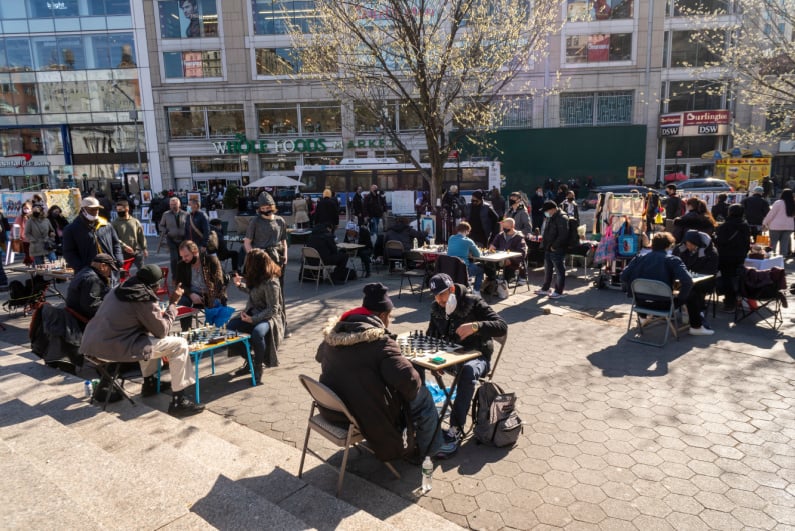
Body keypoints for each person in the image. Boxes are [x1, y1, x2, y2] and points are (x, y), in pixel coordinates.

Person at [316, 283, 458, 460]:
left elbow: (319, 357)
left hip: (334, 407)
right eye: (389, 317)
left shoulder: (336, 332)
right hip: (365, 412)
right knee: (424, 397)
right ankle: (432, 448)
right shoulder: (380, 343)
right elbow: (411, 382)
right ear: (383, 315)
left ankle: (415, 434)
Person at [80, 264, 205, 417]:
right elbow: (162, 331)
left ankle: (150, 383)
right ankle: (179, 401)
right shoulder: (141, 297)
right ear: (155, 284)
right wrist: (173, 303)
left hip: (91, 344)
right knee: (179, 345)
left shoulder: (121, 288)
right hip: (111, 349)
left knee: (146, 341)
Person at [426, 273, 508, 441]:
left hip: (478, 356)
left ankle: (456, 427)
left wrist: (476, 326)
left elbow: (502, 327)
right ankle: (418, 418)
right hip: (450, 357)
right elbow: (430, 336)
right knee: (412, 363)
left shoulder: (473, 302)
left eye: (442, 295)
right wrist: (433, 359)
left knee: (467, 371)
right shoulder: (437, 307)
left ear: (452, 289)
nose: (439, 301)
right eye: (436, 296)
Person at [228, 249, 285, 383]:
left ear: (256, 265)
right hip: (253, 312)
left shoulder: (271, 282)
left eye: (248, 263)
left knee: (257, 333)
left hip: (269, 317)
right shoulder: (257, 276)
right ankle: (250, 360)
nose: (245, 266)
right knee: (230, 328)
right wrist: (239, 285)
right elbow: (253, 292)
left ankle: (258, 366)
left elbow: (273, 308)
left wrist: (253, 319)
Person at [620, 232, 697, 332]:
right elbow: (688, 281)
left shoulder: (639, 258)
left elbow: (623, 277)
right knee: (693, 294)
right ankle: (697, 326)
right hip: (665, 304)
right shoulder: (673, 260)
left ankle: (642, 316)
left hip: (640, 303)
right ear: (669, 246)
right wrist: (680, 300)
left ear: (652, 245)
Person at [672, 230, 719, 335]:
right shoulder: (680, 249)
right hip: (683, 281)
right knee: (686, 290)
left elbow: (710, 272)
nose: (689, 247)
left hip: (703, 281)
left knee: (692, 292)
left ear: (697, 243)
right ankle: (694, 320)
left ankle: (696, 315)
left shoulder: (710, 252)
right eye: (687, 244)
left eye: (691, 245)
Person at [62, 197, 123, 273]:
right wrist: (82, 268)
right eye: (92, 210)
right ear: (83, 210)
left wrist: (118, 260)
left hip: (110, 270)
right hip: (88, 274)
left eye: (97, 209)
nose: (95, 212)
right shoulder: (71, 229)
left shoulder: (106, 225)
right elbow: (69, 252)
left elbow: (116, 243)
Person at [175, 240, 226, 328]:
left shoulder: (211, 260)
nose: (184, 259)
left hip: (211, 293)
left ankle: (217, 330)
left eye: (186, 256)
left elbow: (219, 282)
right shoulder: (181, 265)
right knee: (182, 301)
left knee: (217, 305)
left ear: (195, 252)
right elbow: (180, 285)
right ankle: (186, 330)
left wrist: (212, 297)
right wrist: (191, 294)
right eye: (182, 256)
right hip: (193, 293)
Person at [715, 204, 751, 312]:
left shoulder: (724, 226)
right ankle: (736, 299)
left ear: (730, 212)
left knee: (727, 278)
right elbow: (747, 243)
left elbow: (719, 242)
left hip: (725, 256)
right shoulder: (745, 226)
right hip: (739, 256)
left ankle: (729, 303)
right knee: (736, 277)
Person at [242, 192, 288, 274]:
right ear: (259, 209)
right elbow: (247, 243)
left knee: (277, 285)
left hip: (277, 258)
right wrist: (254, 258)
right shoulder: (255, 221)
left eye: (267, 208)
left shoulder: (280, 220)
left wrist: (285, 256)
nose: (265, 210)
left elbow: (284, 242)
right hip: (260, 258)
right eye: (263, 209)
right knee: (261, 285)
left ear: (272, 207)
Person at [66, 253, 117, 322]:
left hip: (74, 313)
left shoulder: (85, 271)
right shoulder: (93, 279)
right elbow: (93, 307)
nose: (110, 273)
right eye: (110, 269)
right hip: (80, 319)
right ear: (103, 266)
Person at [536, 200, 569, 299]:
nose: (546, 213)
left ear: (553, 209)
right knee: (548, 269)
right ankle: (546, 288)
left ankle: (558, 291)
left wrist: (554, 246)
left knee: (559, 270)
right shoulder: (551, 217)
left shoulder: (562, 218)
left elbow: (563, 235)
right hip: (548, 247)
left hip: (557, 248)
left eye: (547, 211)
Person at [484, 218, 528, 285]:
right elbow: (493, 245)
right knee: (486, 265)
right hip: (500, 259)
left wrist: (511, 260)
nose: (504, 228)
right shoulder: (500, 235)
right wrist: (492, 247)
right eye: (504, 227)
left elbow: (522, 253)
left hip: (513, 262)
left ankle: (506, 281)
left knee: (508, 269)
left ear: (512, 226)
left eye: (506, 227)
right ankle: (494, 280)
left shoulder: (519, 237)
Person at [447, 221, 484, 295]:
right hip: (463, 270)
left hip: (450, 269)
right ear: (467, 231)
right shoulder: (468, 241)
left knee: (471, 264)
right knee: (481, 269)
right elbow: (478, 255)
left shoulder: (451, 238)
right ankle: (476, 290)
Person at [158, 197, 188, 284]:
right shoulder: (166, 214)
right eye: (171, 204)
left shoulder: (185, 214)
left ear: (179, 204)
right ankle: (175, 277)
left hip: (183, 239)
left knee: (183, 259)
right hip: (171, 239)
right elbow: (161, 226)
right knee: (174, 259)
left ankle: (184, 277)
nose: (173, 206)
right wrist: (166, 231)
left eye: (175, 204)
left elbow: (189, 225)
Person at [112, 200, 147, 272]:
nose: (119, 211)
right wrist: (124, 246)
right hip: (122, 252)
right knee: (123, 273)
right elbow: (114, 238)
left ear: (127, 209)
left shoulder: (135, 221)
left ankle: (143, 283)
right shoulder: (114, 223)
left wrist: (144, 248)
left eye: (120, 210)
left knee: (142, 271)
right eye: (117, 210)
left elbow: (141, 235)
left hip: (136, 251)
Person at [763, 188, 795, 257]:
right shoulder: (793, 203)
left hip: (776, 226)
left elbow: (771, 214)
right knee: (784, 244)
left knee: (773, 243)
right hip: (789, 227)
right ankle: (782, 259)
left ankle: (771, 258)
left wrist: (765, 223)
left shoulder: (778, 203)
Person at [18, 201, 33, 265]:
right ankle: (29, 264)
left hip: (34, 239)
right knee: (27, 253)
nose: (26, 209)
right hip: (25, 239)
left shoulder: (34, 217)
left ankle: (32, 264)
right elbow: (16, 226)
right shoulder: (20, 217)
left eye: (27, 208)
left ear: (30, 209)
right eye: (24, 208)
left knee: (34, 253)